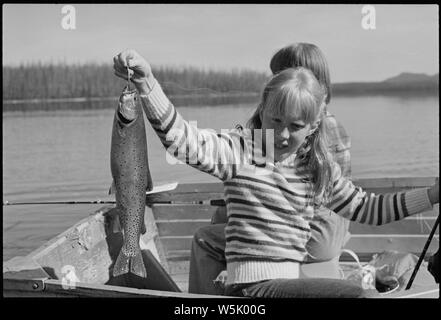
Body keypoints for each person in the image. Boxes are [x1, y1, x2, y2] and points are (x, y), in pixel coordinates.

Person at [113, 49, 439, 298]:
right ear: (263, 111)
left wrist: (433, 195)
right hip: (252, 288)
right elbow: (183, 140)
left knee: (359, 295)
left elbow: (370, 208)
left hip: (286, 280)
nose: (282, 135)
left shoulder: (318, 169)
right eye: (275, 121)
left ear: (313, 128)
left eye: (296, 127)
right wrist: (146, 84)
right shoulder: (243, 150)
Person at [189, 43, 353, 295]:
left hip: (312, 236)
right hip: (335, 231)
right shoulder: (327, 124)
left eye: (277, 75)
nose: (273, 82)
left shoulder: (304, 132)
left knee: (205, 237)